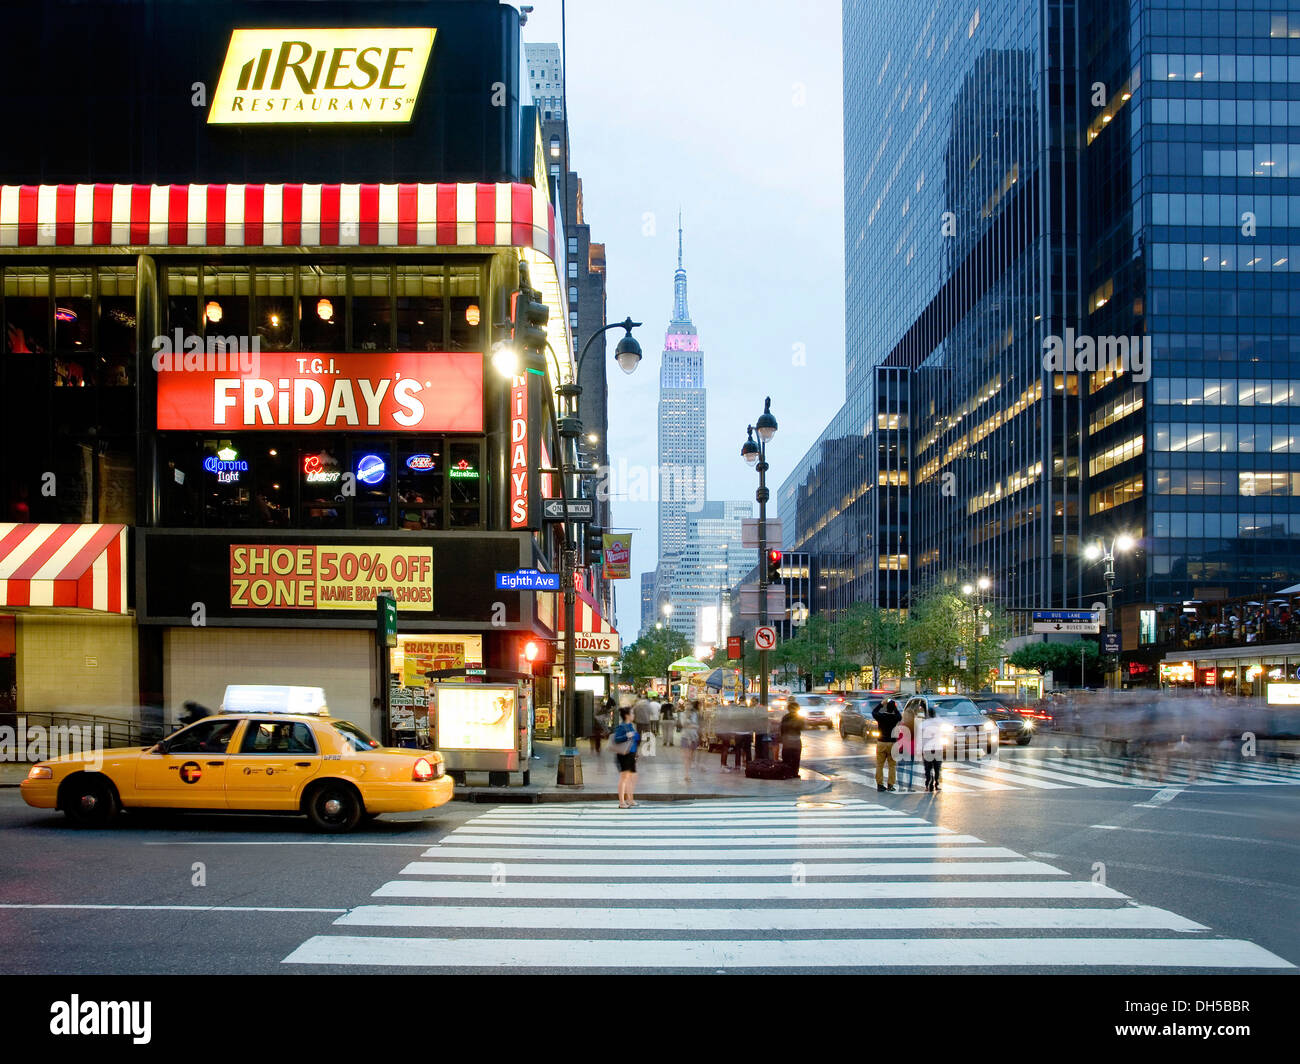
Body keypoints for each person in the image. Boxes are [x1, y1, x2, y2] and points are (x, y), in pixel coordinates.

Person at [612, 707, 640, 808]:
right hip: (624, 755)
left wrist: (636, 752)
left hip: (631, 754)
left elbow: (635, 739)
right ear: (627, 715)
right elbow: (616, 739)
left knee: (632, 777)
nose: (633, 715)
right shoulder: (622, 726)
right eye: (632, 713)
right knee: (624, 778)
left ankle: (630, 799)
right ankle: (622, 802)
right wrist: (627, 736)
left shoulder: (630, 725)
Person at [872, 698, 902, 792]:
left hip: (881, 742)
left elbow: (874, 712)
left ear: (886, 708)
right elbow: (899, 716)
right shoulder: (895, 718)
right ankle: (890, 784)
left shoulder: (881, 716)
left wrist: (881, 704)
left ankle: (880, 784)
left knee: (879, 765)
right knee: (892, 765)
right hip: (892, 743)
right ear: (893, 709)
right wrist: (895, 707)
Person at [899, 698, 920, 791]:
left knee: (901, 769)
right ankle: (909, 787)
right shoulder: (915, 726)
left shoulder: (902, 726)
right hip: (911, 749)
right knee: (910, 769)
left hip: (903, 749)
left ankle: (900, 786)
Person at [779, 698, 804, 774]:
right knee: (796, 758)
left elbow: (782, 729)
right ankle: (795, 772)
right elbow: (801, 727)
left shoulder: (785, 717)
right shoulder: (800, 718)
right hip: (796, 740)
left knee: (786, 757)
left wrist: (782, 739)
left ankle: (787, 772)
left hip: (787, 740)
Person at [679, 700, 701, 783]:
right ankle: (687, 774)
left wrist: (691, 725)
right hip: (685, 736)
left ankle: (688, 772)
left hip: (693, 737)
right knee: (686, 756)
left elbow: (697, 726)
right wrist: (691, 724)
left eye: (689, 704)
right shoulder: (682, 714)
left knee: (691, 756)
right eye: (686, 704)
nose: (688, 706)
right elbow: (683, 724)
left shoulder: (695, 714)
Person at [922, 704, 943, 792]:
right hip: (938, 748)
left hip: (927, 749)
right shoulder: (939, 722)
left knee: (928, 768)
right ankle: (936, 784)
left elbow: (920, 738)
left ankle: (928, 784)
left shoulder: (923, 724)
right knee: (937, 768)